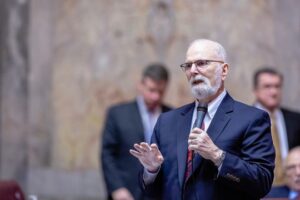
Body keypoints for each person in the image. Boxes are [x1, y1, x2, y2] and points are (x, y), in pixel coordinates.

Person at [130, 39, 275, 200]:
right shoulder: (167, 121)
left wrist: (218, 155)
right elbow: (152, 192)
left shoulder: (251, 119)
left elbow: (262, 182)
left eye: (201, 63)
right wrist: (151, 170)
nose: (193, 70)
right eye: (188, 65)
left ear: (224, 70)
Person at [101, 63, 172, 200]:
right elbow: (107, 155)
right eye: (151, 90)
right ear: (141, 85)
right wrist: (116, 188)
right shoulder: (118, 114)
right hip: (125, 191)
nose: (156, 96)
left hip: (161, 193)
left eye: (161, 92)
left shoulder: (172, 115)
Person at [253, 67, 300, 187]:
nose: (273, 92)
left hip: (291, 189)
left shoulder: (295, 119)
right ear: (255, 90)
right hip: (256, 188)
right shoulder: (242, 119)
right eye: (267, 86)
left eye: (277, 86)